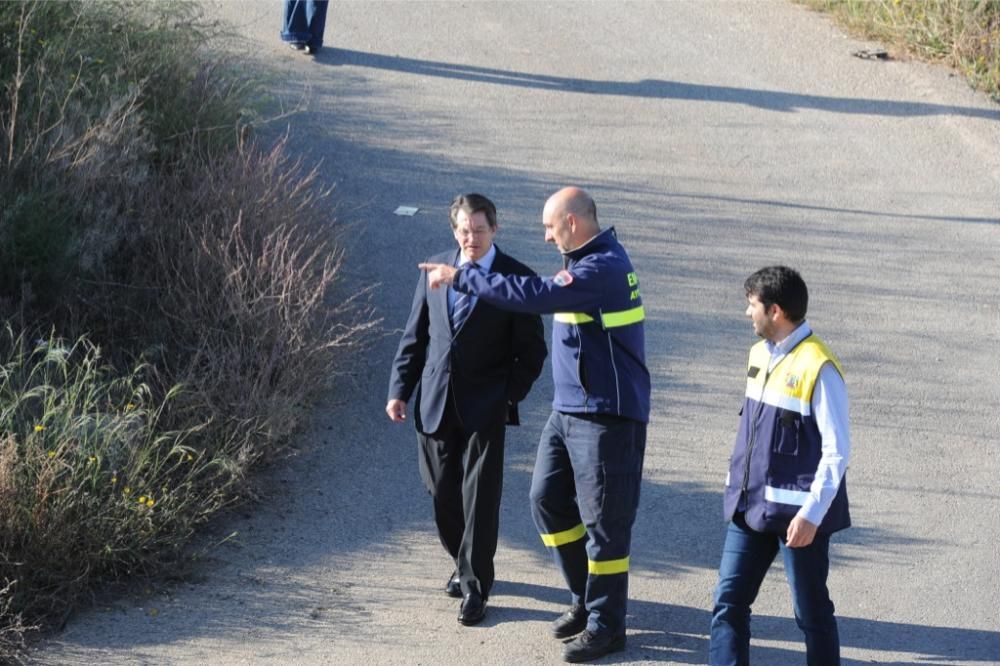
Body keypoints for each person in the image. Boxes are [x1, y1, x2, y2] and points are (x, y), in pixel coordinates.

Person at [420, 187, 650, 663]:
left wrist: (463, 279)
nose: (545, 237)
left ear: (571, 222)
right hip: (570, 411)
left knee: (604, 526)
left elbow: (537, 295)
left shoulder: (601, 268)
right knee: (545, 499)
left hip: (605, 416)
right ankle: (585, 598)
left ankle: (609, 626)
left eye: (550, 226)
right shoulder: (586, 261)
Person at [386, 193, 546, 627]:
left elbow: (532, 352)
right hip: (435, 400)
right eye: (463, 230)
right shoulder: (434, 267)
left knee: (480, 499)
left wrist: (507, 395)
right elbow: (415, 335)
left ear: (495, 229)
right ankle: (462, 560)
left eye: (478, 230)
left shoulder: (516, 278)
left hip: (485, 406)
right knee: (441, 492)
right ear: (453, 231)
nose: (470, 238)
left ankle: (476, 587)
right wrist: (399, 390)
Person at [710, 266, 851, 665]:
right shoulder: (758, 355)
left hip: (799, 518)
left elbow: (837, 450)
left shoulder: (819, 368)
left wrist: (812, 515)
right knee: (728, 602)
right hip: (750, 506)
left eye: (751, 305)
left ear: (775, 311)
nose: (746, 313)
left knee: (810, 613)